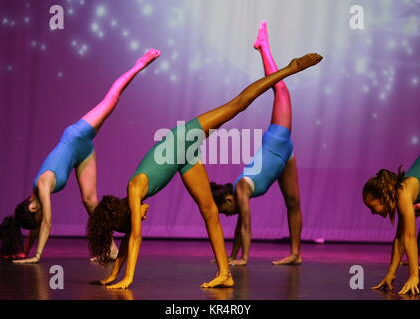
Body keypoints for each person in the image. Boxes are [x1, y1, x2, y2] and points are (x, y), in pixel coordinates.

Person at [87, 49, 323, 289]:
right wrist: (112, 275)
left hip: (182, 139)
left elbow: (135, 237)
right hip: (182, 158)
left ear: (127, 213)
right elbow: (130, 237)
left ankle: (290, 68)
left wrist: (127, 278)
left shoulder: (135, 189)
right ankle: (225, 274)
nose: (142, 219)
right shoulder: (132, 199)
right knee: (210, 210)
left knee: (237, 105)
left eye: (133, 220)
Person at [0, 49, 162, 263]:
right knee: (90, 201)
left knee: (112, 98)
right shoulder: (35, 197)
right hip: (82, 154)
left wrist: (37, 256)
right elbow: (38, 226)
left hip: (76, 135)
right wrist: (27, 251)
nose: (38, 222)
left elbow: (47, 222)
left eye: (35, 218)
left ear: (32, 207)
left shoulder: (43, 183)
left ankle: (139, 64)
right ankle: (110, 249)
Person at [210, 21, 304, 266]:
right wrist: (231, 256)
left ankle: (263, 46)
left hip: (277, 139)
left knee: (280, 89)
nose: (228, 216)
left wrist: (243, 259)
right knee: (293, 203)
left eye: (224, 211)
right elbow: (241, 225)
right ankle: (296, 254)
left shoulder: (241, 188)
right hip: (286, 155)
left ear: (228, 200)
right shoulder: (238, 191)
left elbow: (246, 227)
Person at [363, 137, 420, 295]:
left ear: (383, 197)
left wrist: (414, 276)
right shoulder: (401, 194)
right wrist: (391, 273)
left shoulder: (403, 194)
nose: (373, 212)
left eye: (372, 207)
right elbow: (399, 238)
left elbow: (409, 237)